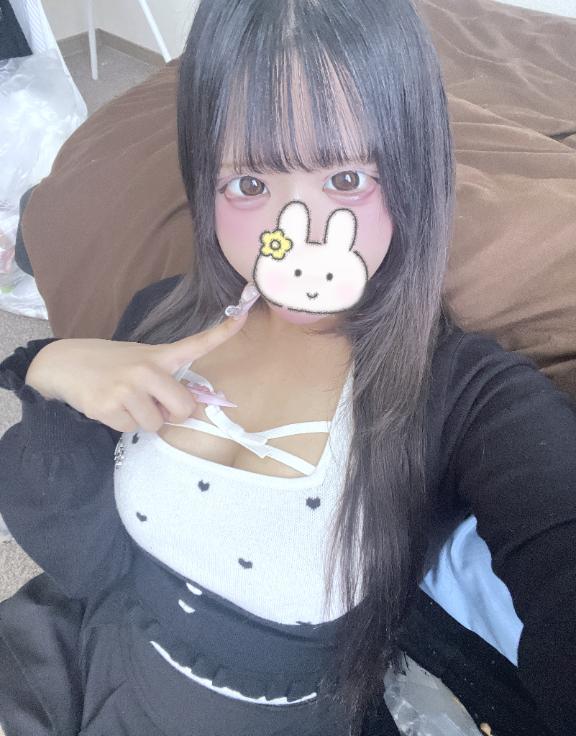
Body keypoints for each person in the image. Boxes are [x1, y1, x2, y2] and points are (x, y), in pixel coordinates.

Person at [0, 1, 575, 735]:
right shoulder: (163, 315)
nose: (294, 237)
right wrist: (50, 370)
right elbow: (78, 560)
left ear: (412, 173)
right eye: (249, 185)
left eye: (346, 179)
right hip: (79, 664)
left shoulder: (468, 396)